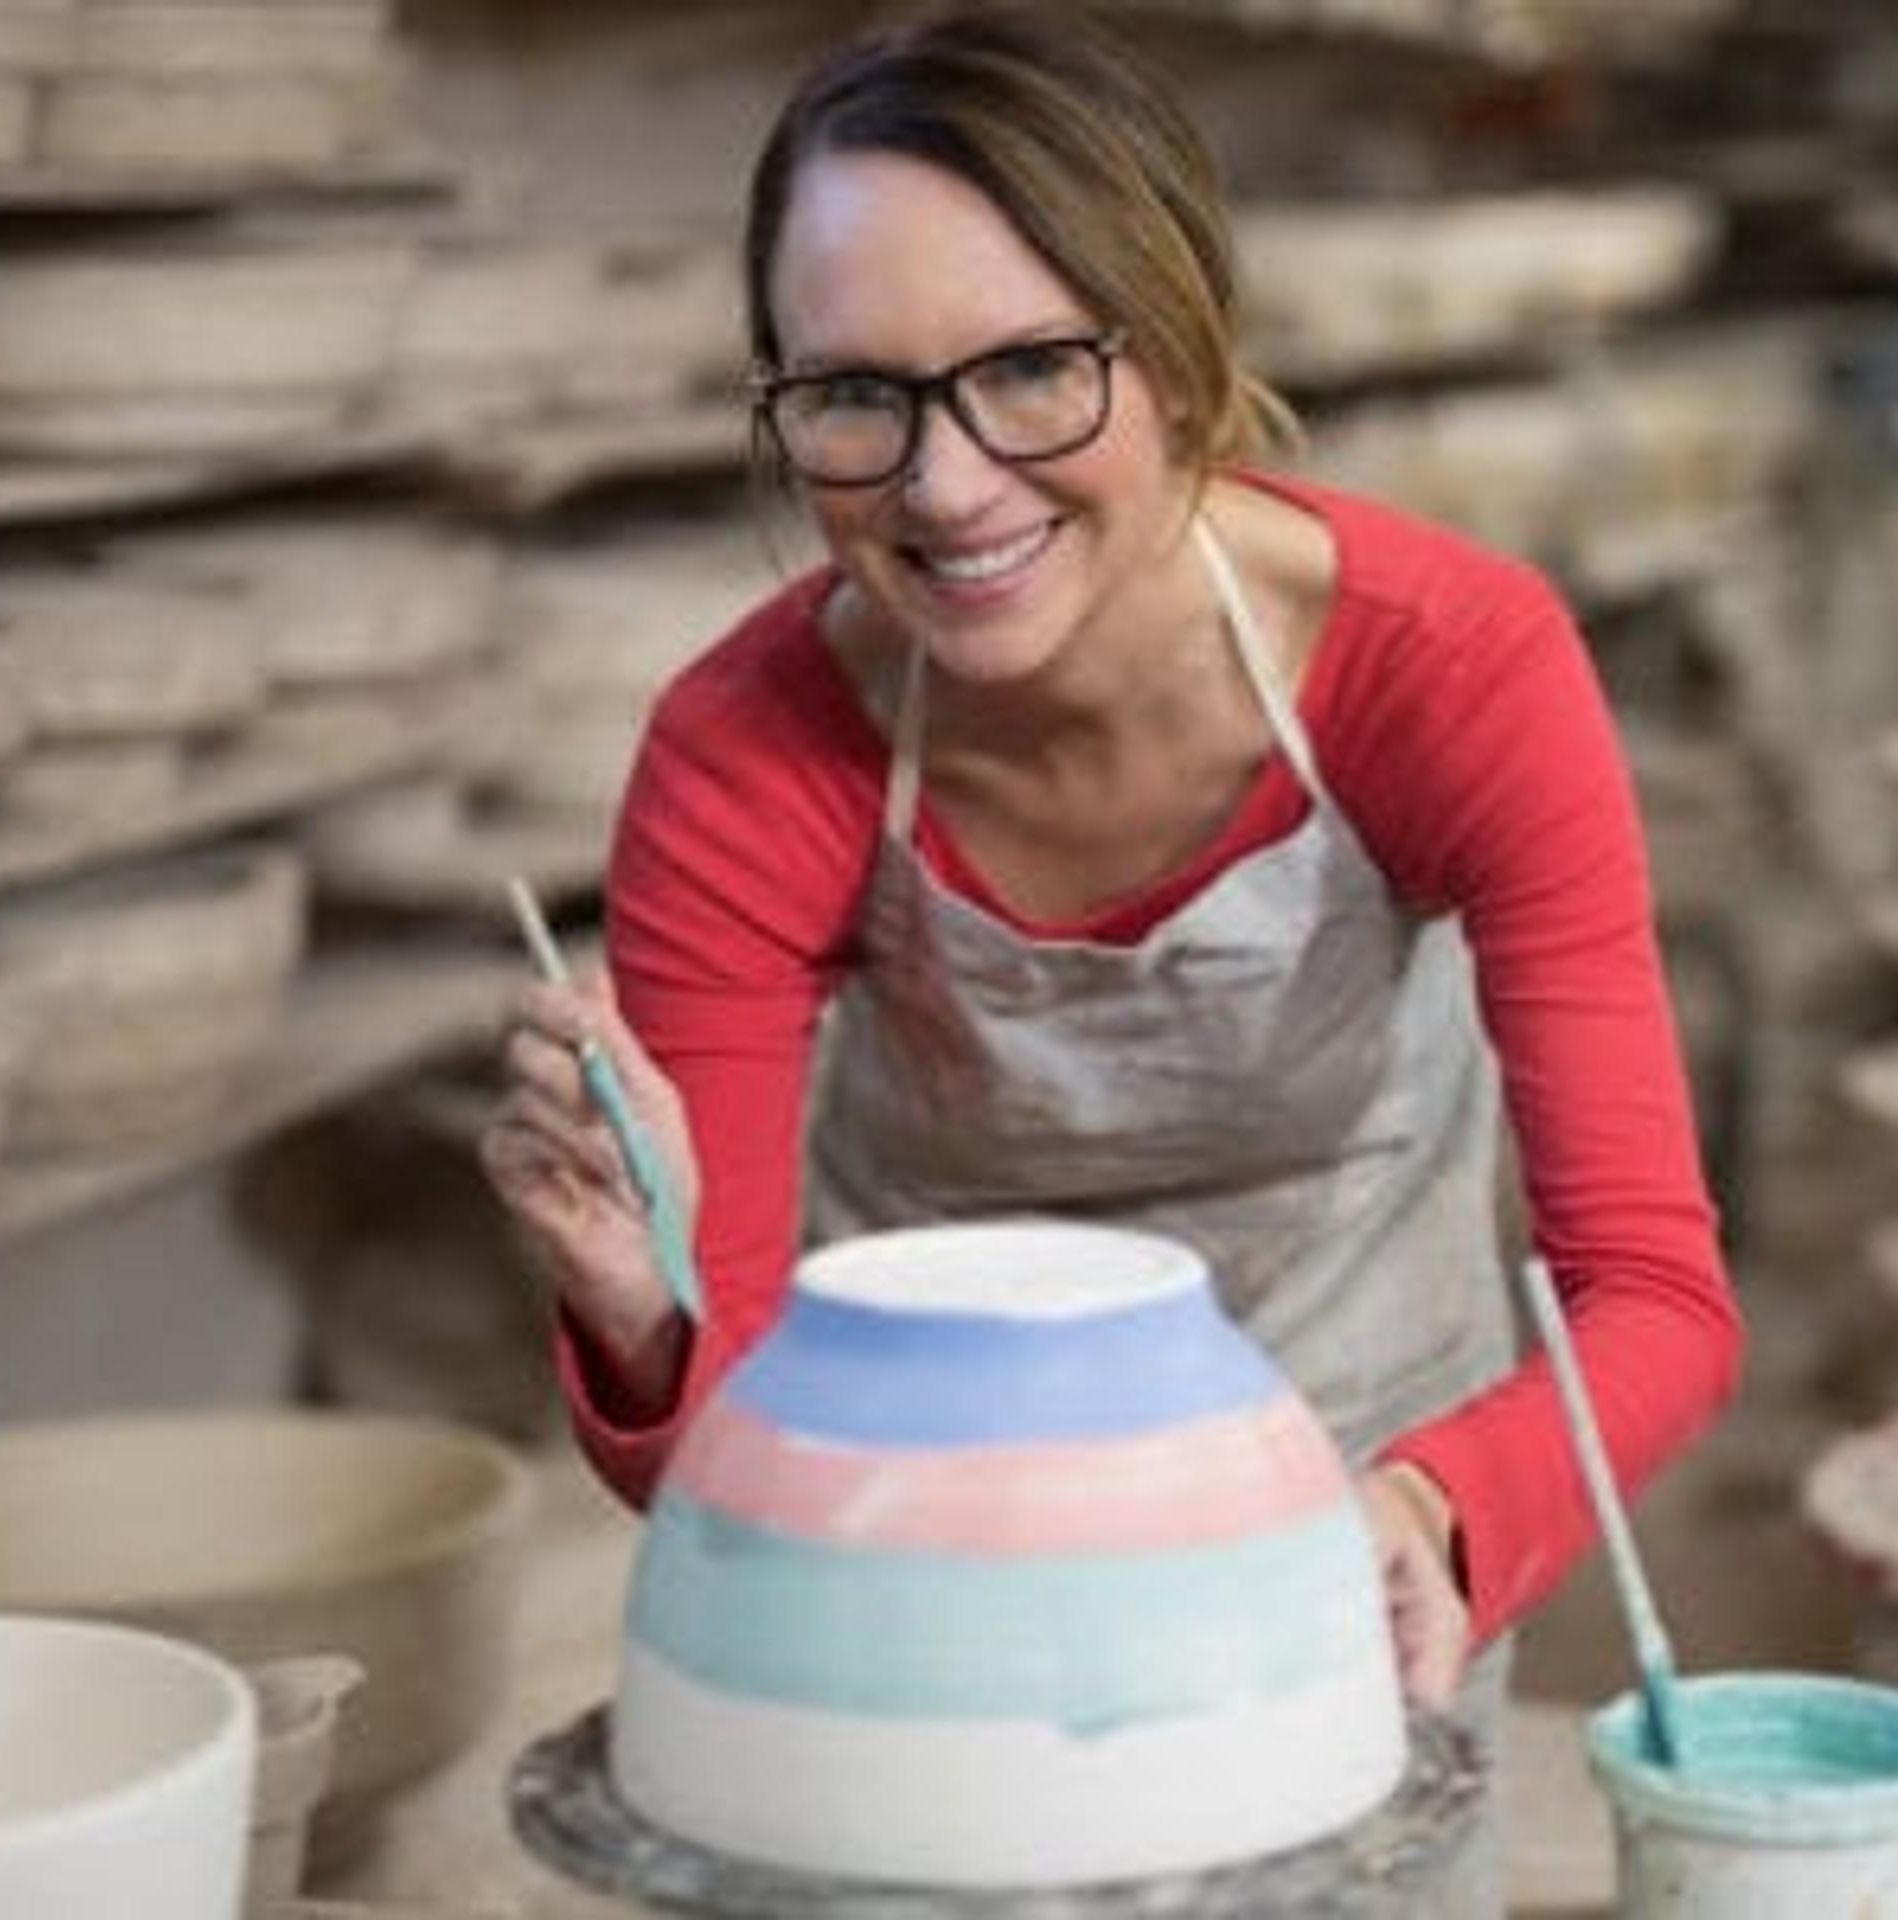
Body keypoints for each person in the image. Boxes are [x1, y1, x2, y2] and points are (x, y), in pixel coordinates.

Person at [478, 0, 1741, 1821]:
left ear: (1177, 355)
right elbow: (724, 1447)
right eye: (855, 397)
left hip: (1368, 1467)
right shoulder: (746, 754)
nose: (946, 483)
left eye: (1030, 372)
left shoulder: (1452, 672)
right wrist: (644, 1322)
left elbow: (1656, 1300)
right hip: (925, 1517)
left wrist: (1437, 1507)